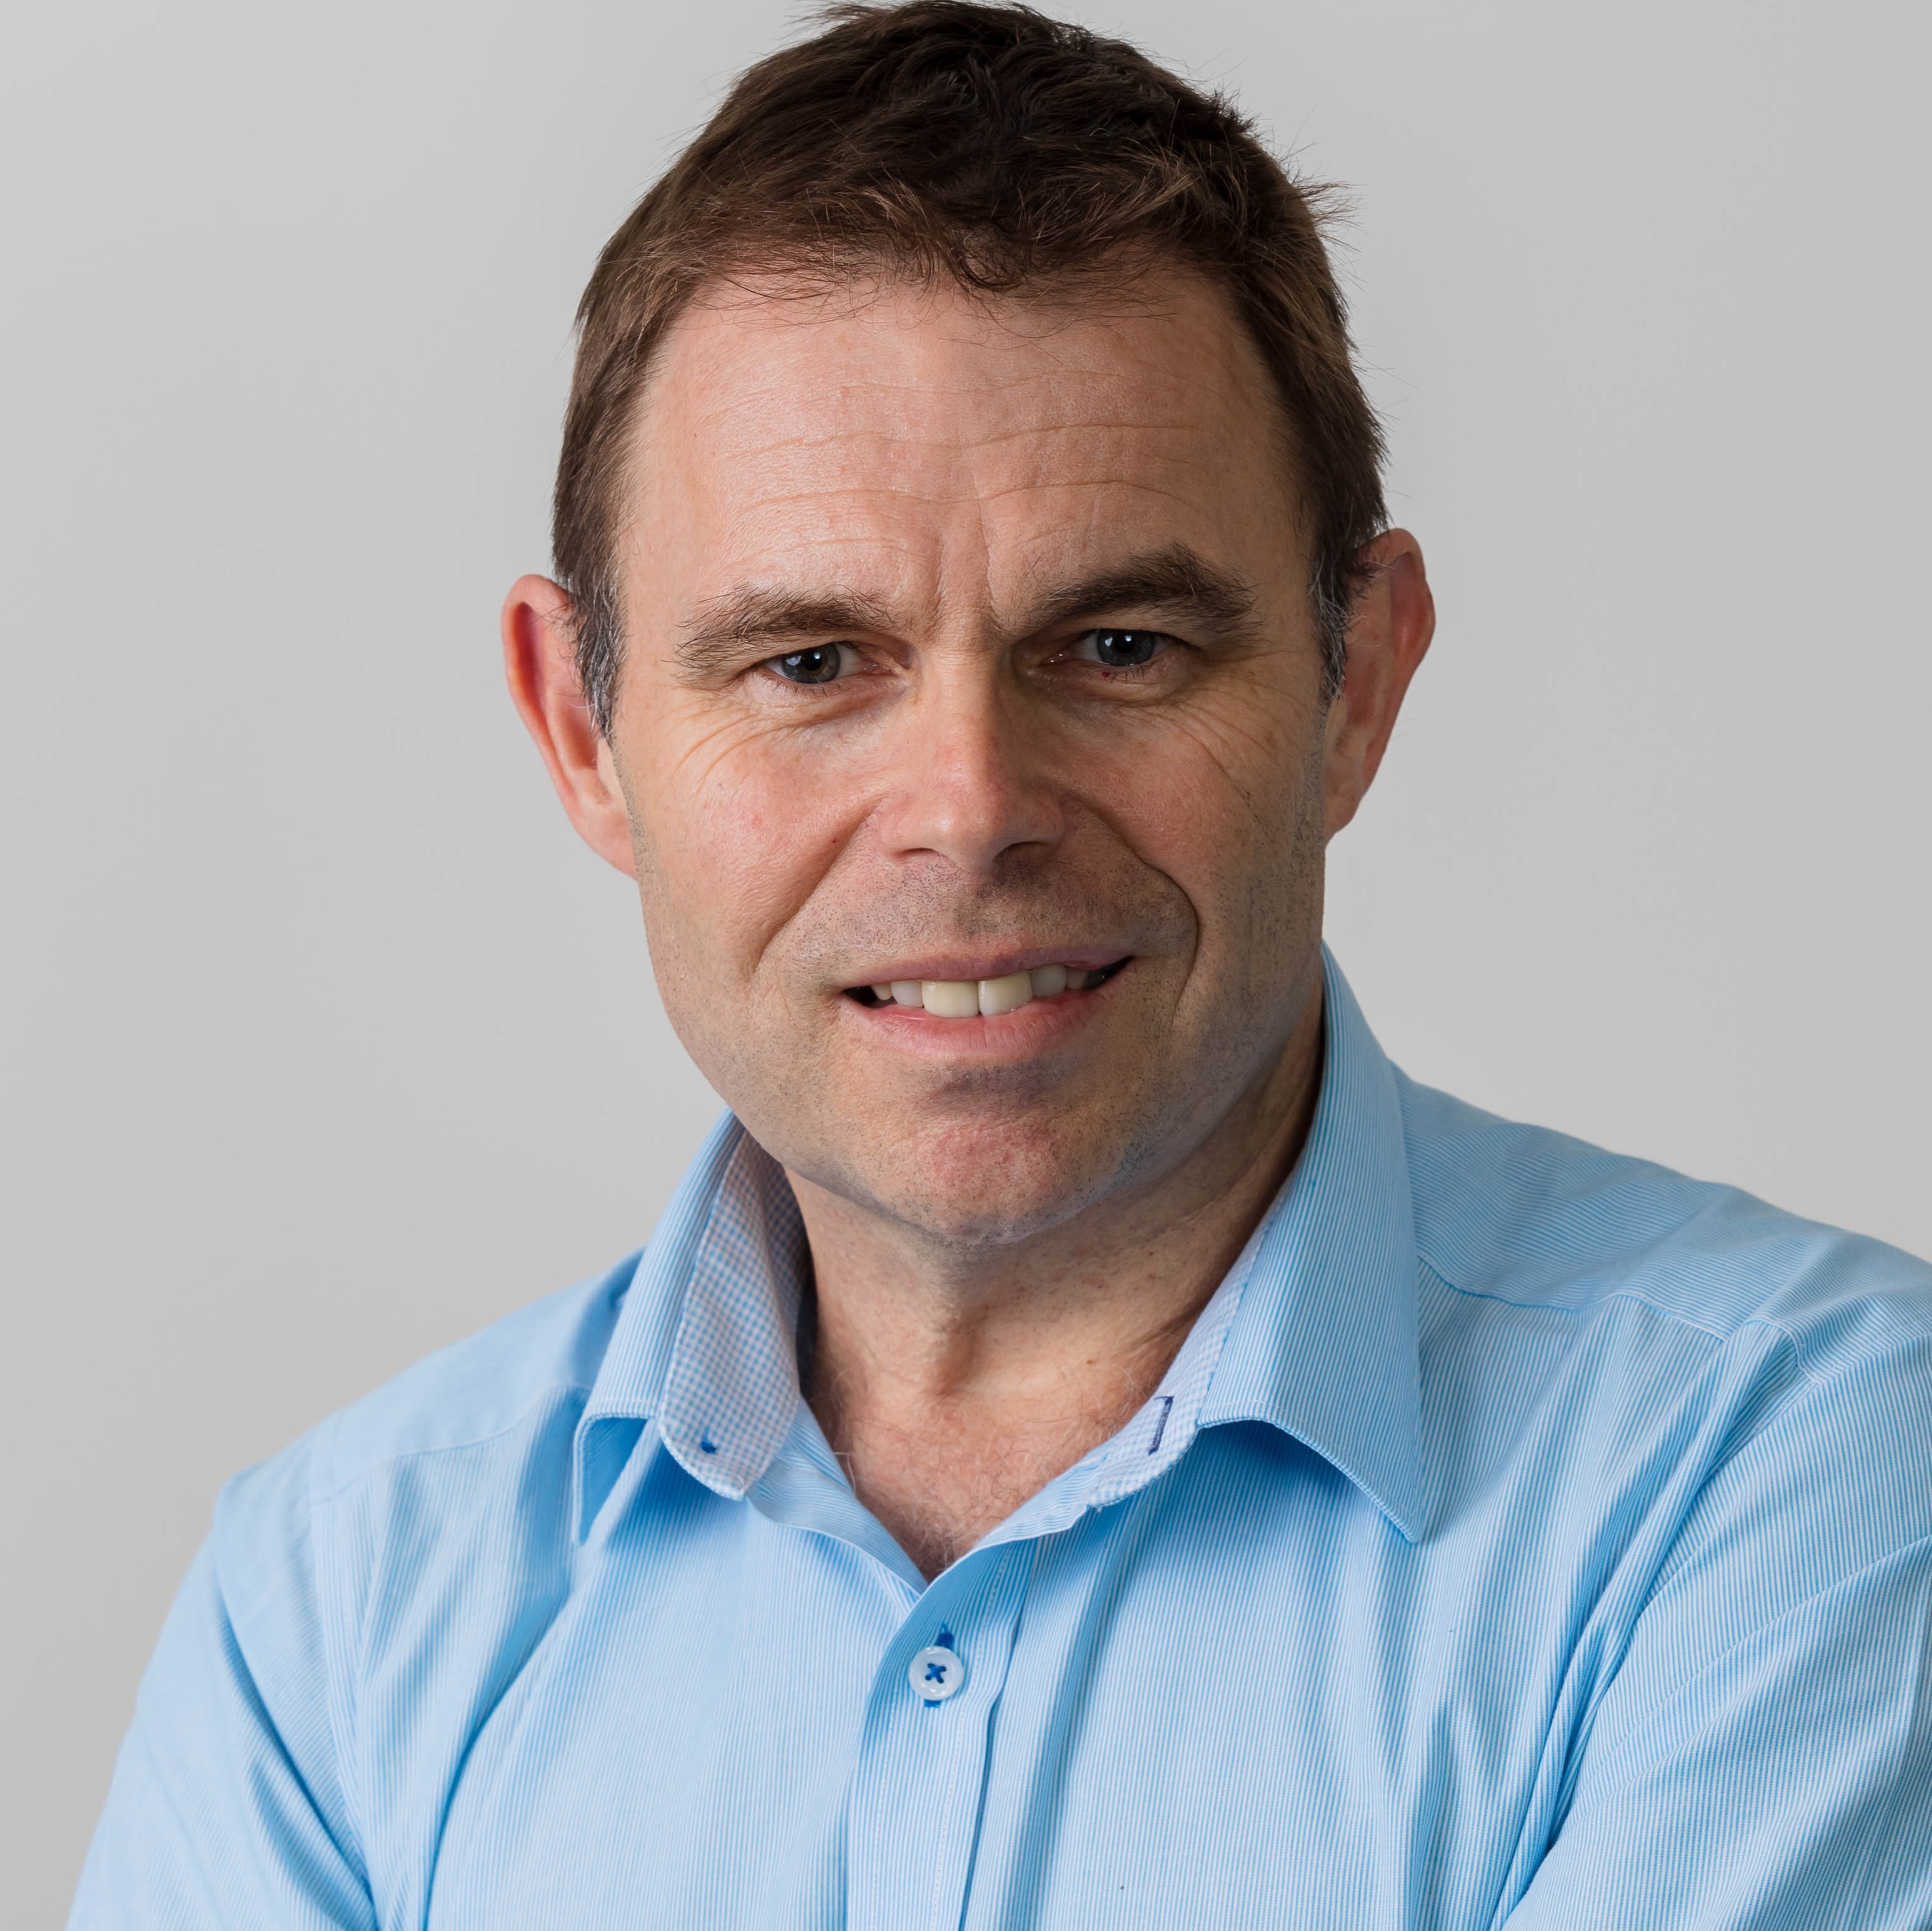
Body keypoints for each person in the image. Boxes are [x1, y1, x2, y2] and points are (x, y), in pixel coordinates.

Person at [71, 4, 1932, 1925]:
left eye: (1118, 647)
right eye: (810, 663)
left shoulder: (1801, 1470)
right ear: (581, 730)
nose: (967, 810)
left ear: (1356, 682)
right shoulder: (330, 1607)